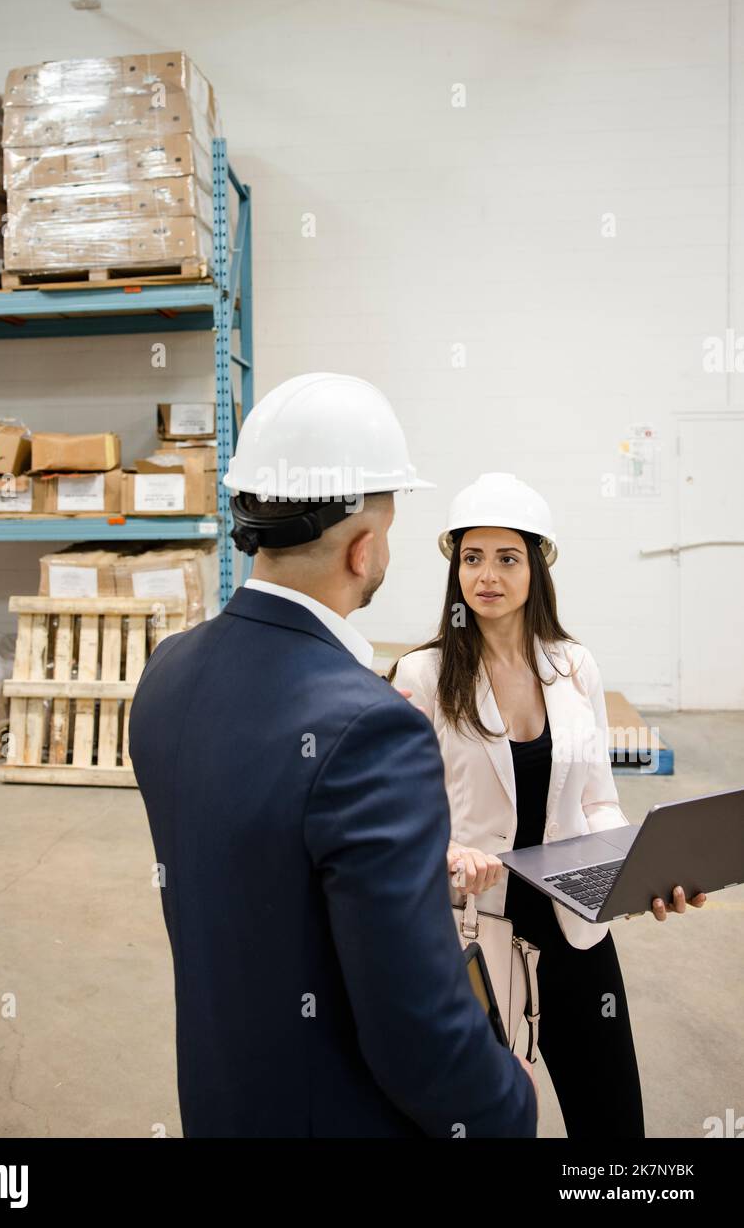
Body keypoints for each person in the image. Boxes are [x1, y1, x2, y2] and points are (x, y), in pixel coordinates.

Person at [130, 376, 537, 1138]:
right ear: (364, 548)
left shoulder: (166, 674)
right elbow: (418, 1035)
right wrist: (508, 1104)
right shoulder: (372, 730)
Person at [391, 472, 707, 1138]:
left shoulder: (573, 667)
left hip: (575, 926)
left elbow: (598, 800)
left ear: (537, 567)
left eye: (507, 558)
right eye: (471, 557)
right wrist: (450, 853)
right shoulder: (424, 674)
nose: (486, 575)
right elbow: (401, 816)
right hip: (473, 933)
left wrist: (643, 872)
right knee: (477, 1122)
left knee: (613, 1127)